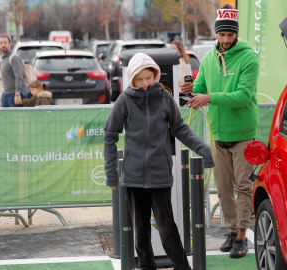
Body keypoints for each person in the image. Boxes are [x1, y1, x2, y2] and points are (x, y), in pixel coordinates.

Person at [103, 52, 214, 270]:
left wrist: (202, 148)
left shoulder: (165, 99)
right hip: (133, 176)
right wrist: (111, 173)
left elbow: (180, 129)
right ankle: (147, 267)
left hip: (159, 174)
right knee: (141, 230)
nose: (145, 83)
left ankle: (183, 267)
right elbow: (109, 134)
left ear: (155, 75)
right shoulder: (124, 101)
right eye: (140, 78)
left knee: (166, 228)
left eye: (149, 77)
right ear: (132, 78)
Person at [180, 3, 259, 259]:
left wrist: (209, 98)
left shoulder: (249, 57)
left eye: (230, 35)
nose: (226, 40)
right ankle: (233, 229)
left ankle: (242, 236)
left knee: (243, 188)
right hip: (218, 134)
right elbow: (200, 85)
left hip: (243, 134)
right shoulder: (209, 58)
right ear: (216, 34)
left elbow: (243, 96)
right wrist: (189, 90)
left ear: (236, 34)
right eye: (222, 35)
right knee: (223, 188)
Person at [0, 35, 29, 107]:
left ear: (9, 44)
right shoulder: (3, 59)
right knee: (3, 117)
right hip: (6, 94)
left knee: (17, 117)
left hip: (15, 94)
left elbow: (19, 76)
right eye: (1, 43)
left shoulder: (13, 58)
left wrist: (17, 94)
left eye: (5, 43)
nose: (3, 45)